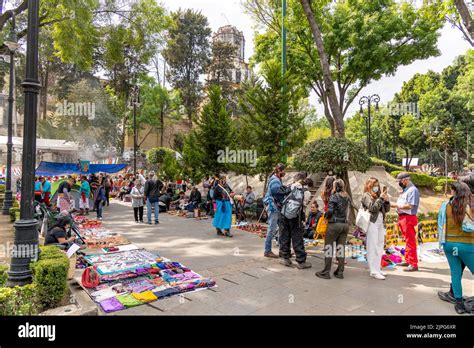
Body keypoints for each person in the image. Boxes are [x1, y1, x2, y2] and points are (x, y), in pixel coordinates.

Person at [437, 182, 473, 314]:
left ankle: (459, 304)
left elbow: (440, 224)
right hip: (467, 245)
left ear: (454, 192)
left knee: (456, 273)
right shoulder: (470, 206)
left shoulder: (445, 206)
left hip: (449, 244)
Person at [316, 179, 351, 280]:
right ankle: (340, 272)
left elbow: (330, 210)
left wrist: (326, 216)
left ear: (335, 186)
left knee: (328, 248)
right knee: (340, 248)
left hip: (334, 225)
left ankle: (326, 272)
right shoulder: (347, 196)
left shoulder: (334, 196)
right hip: (345, 225)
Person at [279, 171, 312, 269]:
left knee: (285, 235)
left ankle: (286, 258)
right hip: (296, 217)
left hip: (284, 214)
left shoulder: (291, 186)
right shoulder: (306, 191)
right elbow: (304, 204)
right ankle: (301, 261)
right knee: (297, 238)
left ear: (297, 177)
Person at [361, 177, 391, 280]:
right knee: (372, 246)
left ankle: (377, 268)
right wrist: (381, 199)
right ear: (369, 185)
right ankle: (373, 271)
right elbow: (372, 208)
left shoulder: (378, 195)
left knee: (380, 246)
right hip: (372, 223)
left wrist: (386, 201)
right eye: (374, 185)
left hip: (380, 223)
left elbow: (386, 210)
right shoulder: (366, 196)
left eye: (377, 185)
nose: (376, 187)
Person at [391, 172, 420, 272]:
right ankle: (408, 260)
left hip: (408, 218)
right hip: (403, 217)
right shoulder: (406, 190)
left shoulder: (413, 190)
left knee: (410, 241)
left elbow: (410, 205)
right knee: (407, 240)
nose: (399, 183)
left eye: (400, 181)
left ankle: (413, 264)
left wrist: (396, 205)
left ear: (405, 180)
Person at [263, 163, 289, 258]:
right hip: (273, 207)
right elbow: (276, 192)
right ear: (279, 170)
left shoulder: (277, 179)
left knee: (281, 227)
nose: (284, 172)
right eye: (284, 170)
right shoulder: (275, 180)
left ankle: (283, 250)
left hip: (275, 206)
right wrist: (286, 191)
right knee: (272, 229)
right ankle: (267, 251)